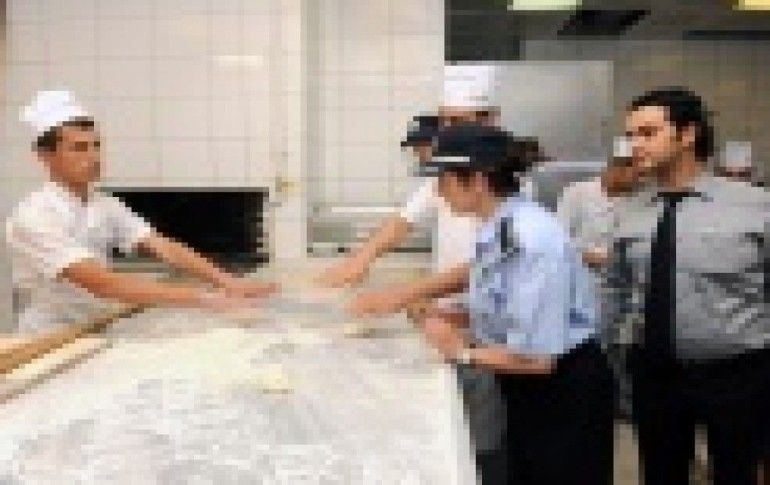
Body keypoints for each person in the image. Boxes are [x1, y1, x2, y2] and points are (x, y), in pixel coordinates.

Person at [418, 124, 614, 485]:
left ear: (477, 181)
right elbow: (508, 304)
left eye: (443, 180)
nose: (437, 191)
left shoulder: (530, 239)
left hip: (562, 390)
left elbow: (537, 358)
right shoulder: (500, 227)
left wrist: (459, 351)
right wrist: (457, 316)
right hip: (527, 383)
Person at [5, 90, 277, 335]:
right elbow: (102, 284)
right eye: (79, 147)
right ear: (44, 155)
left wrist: (227, 281)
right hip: (48, 337)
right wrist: (205, 298)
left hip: (94, 327)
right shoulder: (35, 216)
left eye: (96, 145)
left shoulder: (104, 203)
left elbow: (162, 246)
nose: (94, 157)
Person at [609, 87, 768, 485]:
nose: (635, 145)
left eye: (648, 133)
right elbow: (619, 286)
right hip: (654, 374)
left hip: (737, 374)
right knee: (660, 474)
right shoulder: (631, 211)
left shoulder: (755, 207)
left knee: (737, 474)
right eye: (631, 135)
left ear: (687, 134)